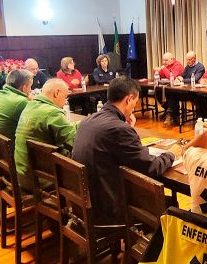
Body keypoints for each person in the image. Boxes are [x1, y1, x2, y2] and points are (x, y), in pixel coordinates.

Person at [71, 77, 181, 225]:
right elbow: (150, 167)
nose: (134, 107)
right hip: (108, 208)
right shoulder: (119, 129)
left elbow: (114, 150)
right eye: (135, 102)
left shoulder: (87, 121)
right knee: (170, 205)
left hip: (84, 202)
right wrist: (172, 153)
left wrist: (127, 127)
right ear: (129, 99)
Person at [14, 78, 76, 192]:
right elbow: (74, 142)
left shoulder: (30, 105)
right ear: (56, 93)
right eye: (66, 96)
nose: (66, 101)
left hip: (22, 174)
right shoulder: (53, 112)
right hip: (42, 180)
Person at [0, 69, 33, 139]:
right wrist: (32, 101)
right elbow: (34, 124)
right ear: (24, 88)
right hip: (5, 147)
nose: (30, 90)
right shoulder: (21, 102)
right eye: (30, 87)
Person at [165, 51, 206, 127]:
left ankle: (172, 116)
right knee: (171, 93)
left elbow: (196, 79)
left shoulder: (200, 67)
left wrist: (182, 80)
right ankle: (172, 116)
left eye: (190, 59)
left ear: (194, 58)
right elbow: (183, 76)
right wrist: (179, 78)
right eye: (187, 59)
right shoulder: (187, 67)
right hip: (186, 91)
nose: (188, 61)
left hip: (195, 93)